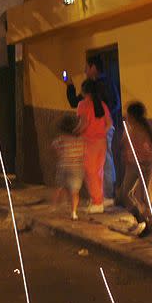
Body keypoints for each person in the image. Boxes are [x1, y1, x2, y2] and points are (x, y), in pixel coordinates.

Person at [65, 54, 120, 203]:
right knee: (99, 165)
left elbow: (110, 106)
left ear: (93, 67)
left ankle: (106, 196)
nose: (85, 71)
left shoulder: (103, 85)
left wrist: (99, 125)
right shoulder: (101, 85)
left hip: (97, 134)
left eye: (86, 68)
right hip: (99, 133)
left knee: (100, 165)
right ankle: (101, 196)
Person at [75, 80, 112, 214]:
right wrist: (100, 132)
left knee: (90, 174)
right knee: (98, 172)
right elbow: (109, 123)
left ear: (85, 91)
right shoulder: (102, 105)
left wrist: (75, 133)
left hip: (89, 143)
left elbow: (83, 123)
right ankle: (97, 200)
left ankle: (97, 203)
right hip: (101, 142)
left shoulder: (82, 105)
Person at [118, 102, 152, 234]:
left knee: (141, 197)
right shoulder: (131, 128)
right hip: (132, 166)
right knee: (126, 195)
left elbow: (145, 149)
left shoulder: (140, 130)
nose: (126, 116)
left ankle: (148, 224)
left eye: (128, 114)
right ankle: (141, 219)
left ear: (133, 116)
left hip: (141, 166)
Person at [52, 114, 85, 220]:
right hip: (76, 168)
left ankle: (54, 207)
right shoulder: (80, 140)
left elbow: (55, 148)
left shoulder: (61, 139)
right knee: (74, 192)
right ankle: (74, 212)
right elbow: (83, 153)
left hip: (63, 166)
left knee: (59, 187)